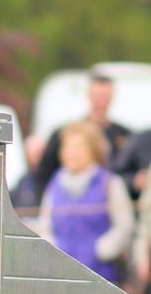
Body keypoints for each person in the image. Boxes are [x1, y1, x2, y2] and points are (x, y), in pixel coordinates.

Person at [37, 120, 133, 284]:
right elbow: (44, 226)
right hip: (60, 277)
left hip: (102, 279)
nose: (72, 153)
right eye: (67, 147)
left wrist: (100, 250)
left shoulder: (110, 184)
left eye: (79, 147)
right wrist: (55, 250)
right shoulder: (54, 185)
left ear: (93, 150)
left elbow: (125, 226)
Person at [33, 70, 130, 202]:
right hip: (70, 200)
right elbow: (44, 174)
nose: (101, 101)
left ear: (112, 98)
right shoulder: (66, 133)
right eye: (97, 96)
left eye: (105, 96)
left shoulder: (125, 135)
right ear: (89, 95)